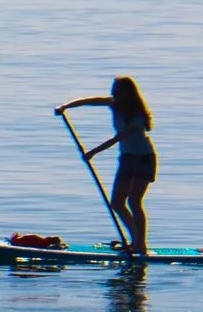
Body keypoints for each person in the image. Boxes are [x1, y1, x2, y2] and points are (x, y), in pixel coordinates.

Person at [57, 76, 156, 256]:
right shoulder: (114, 104)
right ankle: (135, 241)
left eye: (117, 89)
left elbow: (121, 137)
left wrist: (93, 152)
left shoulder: (137, 114)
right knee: (117, 203)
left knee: (134, 201)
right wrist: (65, 107)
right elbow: (91, 101)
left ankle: (141, 246)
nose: (113, 93)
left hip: (143, 158)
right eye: (113, 89)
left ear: (127, 92)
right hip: (126, 158)